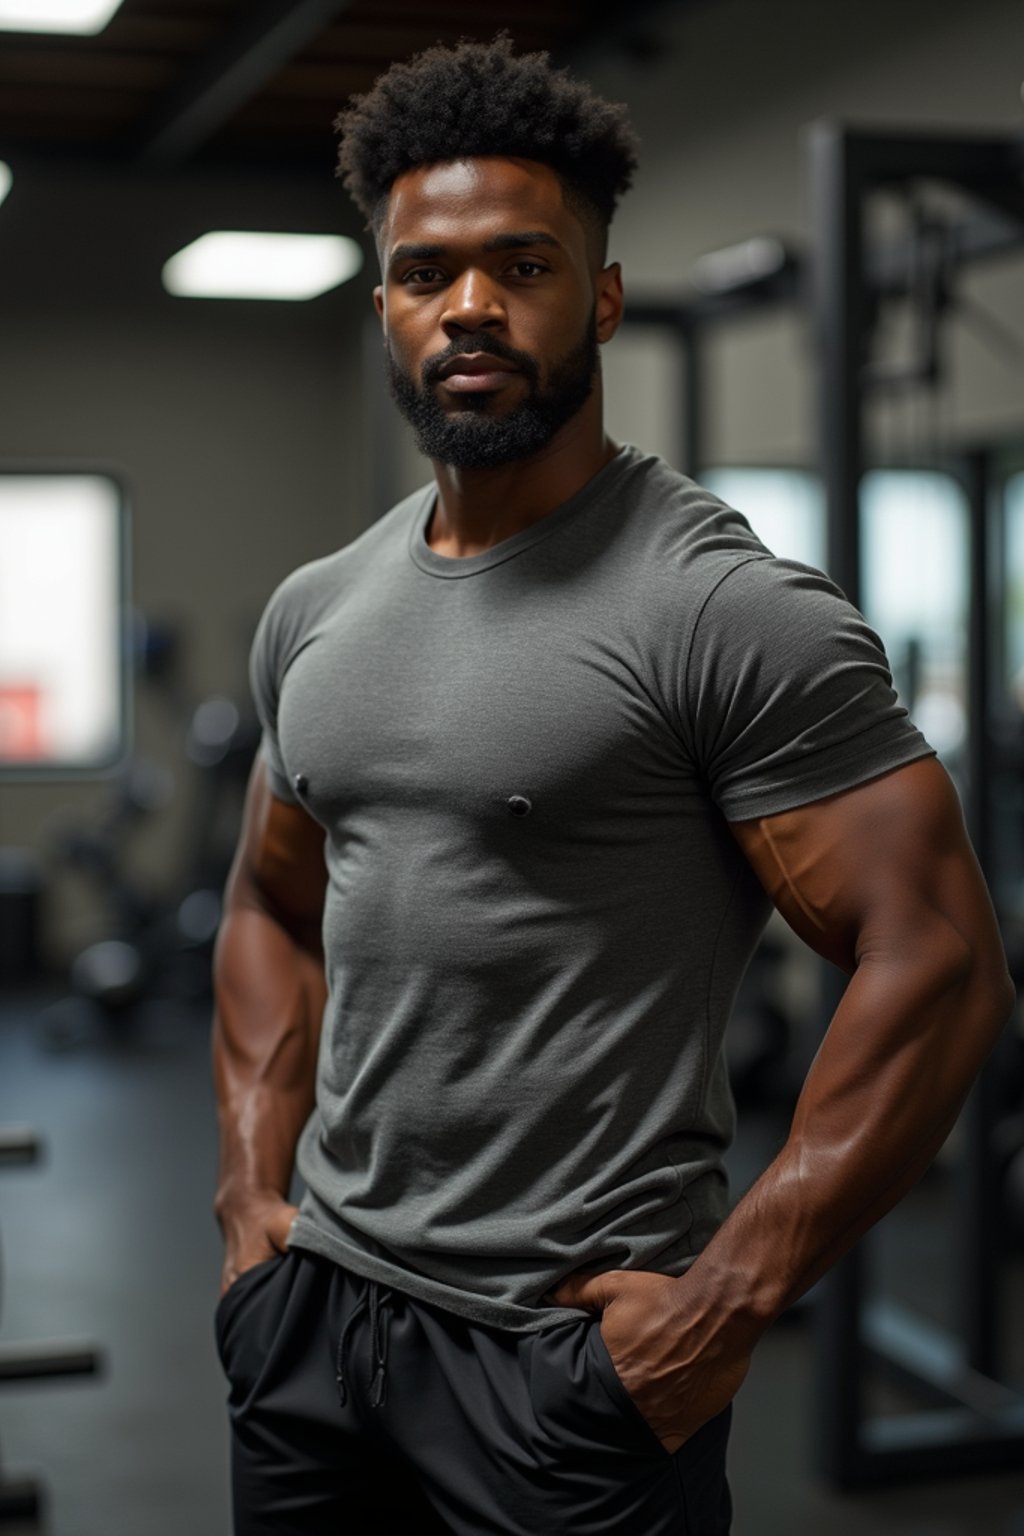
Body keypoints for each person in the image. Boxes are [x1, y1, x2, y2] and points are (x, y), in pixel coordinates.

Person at [210, 34, 1013, 1536]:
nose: (469, 305)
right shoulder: (315, 609)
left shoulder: (720, 610)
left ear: (605, 296)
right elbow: (269, 899)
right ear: (383, 304)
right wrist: (253, 1202)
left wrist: (727, 1302)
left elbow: (946, 964)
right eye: (423, 271)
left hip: (558, 1367)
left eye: (521, 264)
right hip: (316, 1328)